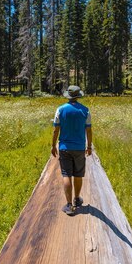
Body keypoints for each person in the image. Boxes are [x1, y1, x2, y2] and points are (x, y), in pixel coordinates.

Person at [51, 85, 93, 216]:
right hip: (80, 147)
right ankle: (77, 198)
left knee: (66, 174)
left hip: (64, 148)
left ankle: (69, 205)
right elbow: (89, 130)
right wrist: (89, 146)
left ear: (68, 96)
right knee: (78, 174)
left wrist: (53, 145)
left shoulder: (60, 110)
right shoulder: (85, 111)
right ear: (78, 96)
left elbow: (56, 129)